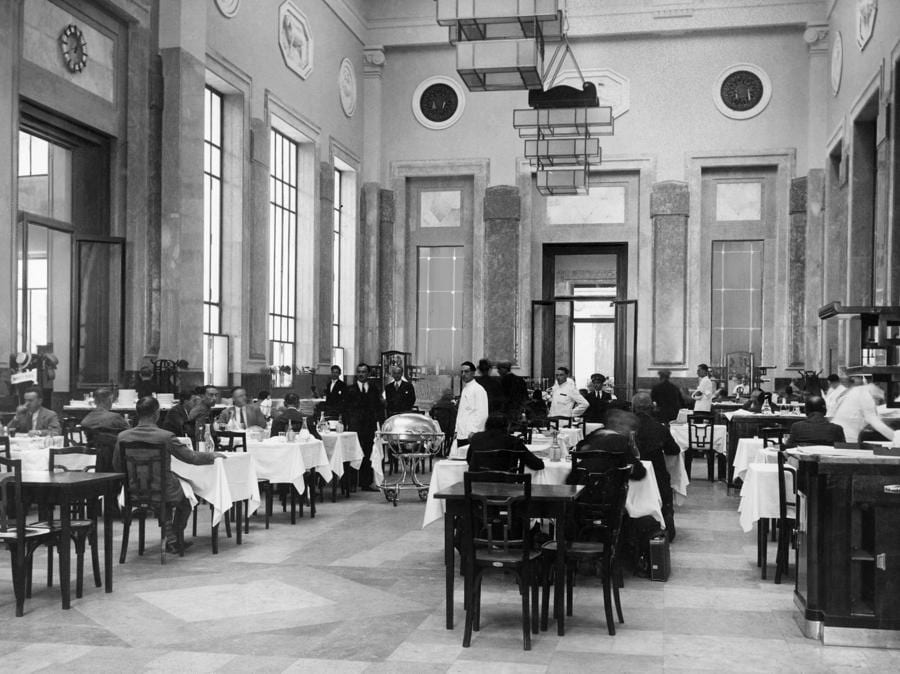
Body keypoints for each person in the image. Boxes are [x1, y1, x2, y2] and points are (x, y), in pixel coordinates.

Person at [114, 396, 227, 553]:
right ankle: (174, 536)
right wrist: (212, 456)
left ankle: (170, 535)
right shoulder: (165, 437)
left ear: (137, 413)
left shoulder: (123, 437)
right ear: (156, 414)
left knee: (174, 490)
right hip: (164, 489)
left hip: (133, 490)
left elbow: (117, 466)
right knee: (188, 497)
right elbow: (190, 457)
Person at [632, 393, 680, 540]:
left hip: (631, 476)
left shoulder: (626, 427)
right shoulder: (659, 428)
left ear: (633, 408)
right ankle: (667, 523)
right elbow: (674, 450)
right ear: (652, 408)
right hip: (656, 477)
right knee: (664, 480)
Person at [567, 409, 647, 483]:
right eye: (630, 427)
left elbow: (577, 449)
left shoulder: (596, 434)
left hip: (576, 485)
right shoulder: (620, 441)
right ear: (621, 426)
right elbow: (639, 472)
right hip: (604, 490)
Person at [343, 363, 385, 491]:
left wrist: (380, 423)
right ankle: (351, 483)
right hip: (354, 426)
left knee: (367, 454)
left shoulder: (374, 389)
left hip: (369, 426)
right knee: (353, 454)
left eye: (364, 372)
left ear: (368, 374)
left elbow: (378, 407)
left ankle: (365, 483)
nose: (361, 374)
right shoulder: (350, 389)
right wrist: (346, 424)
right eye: (359, 372)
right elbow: (345, 409)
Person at [466, 413, 545, 472]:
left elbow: (469, 460)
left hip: (477, 485)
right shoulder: (514, 441)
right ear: (507, 426)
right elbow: (536, 464)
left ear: (487, 424)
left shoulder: (476, 438)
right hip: (506, 485)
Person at [830, 379, 895, 444]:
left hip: (839, 434)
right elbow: (875, 422)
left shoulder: (858, 390)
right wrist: (895, 437)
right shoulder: (866, 395)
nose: (878, 402)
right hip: (847, 437)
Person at [456, 361, 489, 446]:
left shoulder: (478, 390)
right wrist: (457, 430)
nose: (463, 374)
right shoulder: (465, 389)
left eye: (466, 371)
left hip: (472, 434)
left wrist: (474, 431)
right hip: (462, 433)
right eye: (461, 372)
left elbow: (482, 413)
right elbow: (461, 413)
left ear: (473, 373)